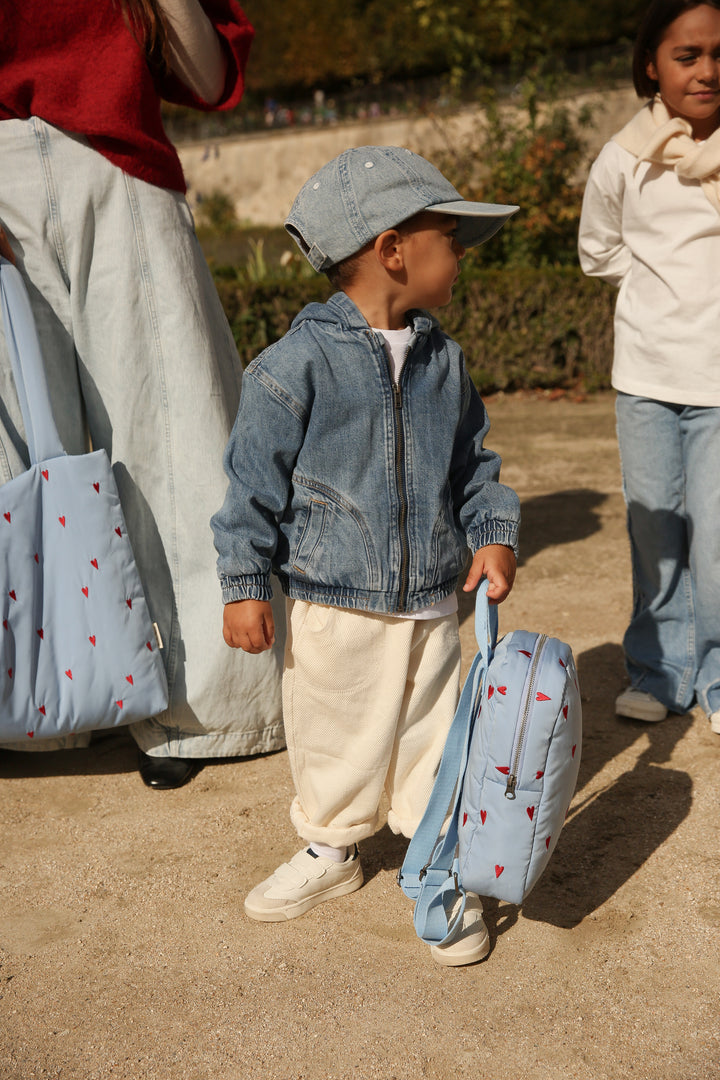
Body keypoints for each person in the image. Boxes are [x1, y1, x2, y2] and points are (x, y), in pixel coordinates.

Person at [211, 146, 521, 965]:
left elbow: (474, 468)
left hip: (430, 600)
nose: (458, 255)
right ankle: (329, 848)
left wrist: (492, 533)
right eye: (448, 236)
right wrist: (244, 582)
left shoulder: (443, 363)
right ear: (393, 250)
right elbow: (251, 484)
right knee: (334, 730)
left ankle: (432, 862)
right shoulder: (295, 365)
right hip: (332, 598)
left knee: (431, 731)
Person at [0, 0, 285, 786]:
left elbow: (206, 73)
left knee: (175, 441)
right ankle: (41, 706)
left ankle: (208, 708)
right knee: (14, 454)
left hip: (122, 169)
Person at [578, 0, 720, 733]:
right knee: (655, 537)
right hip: (647, 382)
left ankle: (718, 675)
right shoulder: (623, 159)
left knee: (719, 542)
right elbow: (597, 250)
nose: (706, 69)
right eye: (687, 55)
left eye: (717, 53)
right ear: (650, 67)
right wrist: (660, 287)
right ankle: (659, 672)